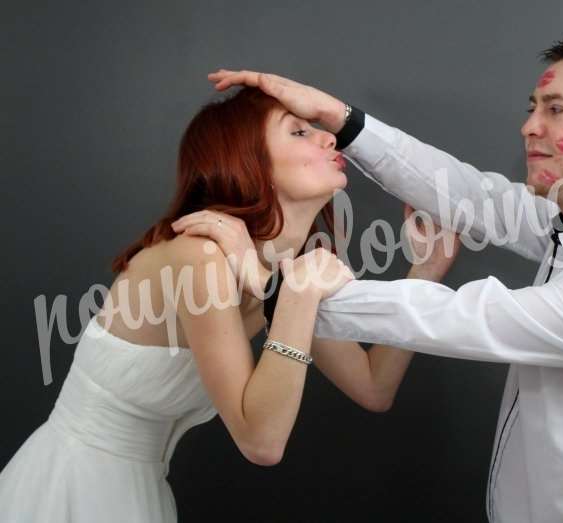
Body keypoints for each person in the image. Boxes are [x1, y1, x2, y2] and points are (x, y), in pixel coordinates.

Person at [208, 35, 563, 522]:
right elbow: (464, 191)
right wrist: (340, 117)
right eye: (532, 107)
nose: (530, 126)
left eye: (556, 110)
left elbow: (453, 318)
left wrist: (276, 289)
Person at [0, 87, 459, 522]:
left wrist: (424, 275)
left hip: (138, 489)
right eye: (298, 132)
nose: (329, 137)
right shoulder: (199, 256)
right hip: (70, 488)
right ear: (247, 162)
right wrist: (296, 295)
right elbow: (262, 441)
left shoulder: (280, 271)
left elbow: (373, 387)